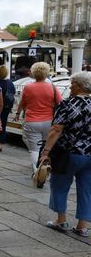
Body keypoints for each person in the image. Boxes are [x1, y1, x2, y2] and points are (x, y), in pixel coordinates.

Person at [40, 71, 91, 237]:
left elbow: (56, 129)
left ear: (80, 86)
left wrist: (46, 151)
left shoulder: (67, 104)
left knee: (60, 186)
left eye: (73, 83)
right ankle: (82, 226)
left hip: (67, 153)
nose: (70, 86)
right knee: (87, 189)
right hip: (89, 154)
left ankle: (61, 220)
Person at [13, 62, 62, 174]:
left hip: (32, 121)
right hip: (48, 121)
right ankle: (45, 166)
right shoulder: (52, 87)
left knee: (34, 149)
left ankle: (36, 172)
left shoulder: (28, 87)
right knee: (46, 146)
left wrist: (17, 113)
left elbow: (23, 103)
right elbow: (60, 102)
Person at [0, 65, 15, 152]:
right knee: (3, 124)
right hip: (6, 107)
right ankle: (0, 144)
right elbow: (13, 93)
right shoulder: (10, 82)